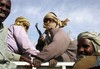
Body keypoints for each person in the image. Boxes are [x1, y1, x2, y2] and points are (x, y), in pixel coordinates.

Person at [0, 0, 32, 69]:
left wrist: (20, 57)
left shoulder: (4, 29)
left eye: (8, 7)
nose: (4, 9)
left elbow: (4, 53)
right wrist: (41, 56)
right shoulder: (17, 28)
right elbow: (28, 47)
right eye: (1, 5)